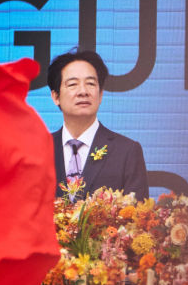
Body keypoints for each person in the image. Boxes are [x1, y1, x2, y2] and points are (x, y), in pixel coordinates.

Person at [48, 49, 148, 200]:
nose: (83, 91)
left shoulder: (127, 152)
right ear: (56, 97)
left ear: (100, 95)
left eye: (90, 83)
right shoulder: (38, 150)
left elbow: (137, 218)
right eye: (73, 84)